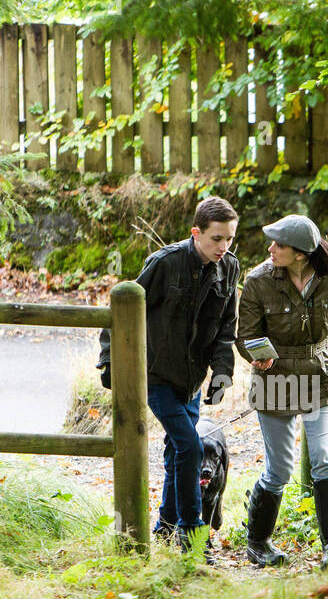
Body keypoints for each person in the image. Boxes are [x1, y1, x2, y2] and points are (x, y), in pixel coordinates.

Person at [97, 196, 240, 561]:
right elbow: (124, 308)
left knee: (178, 451)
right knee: (190, 446)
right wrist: (111, 361)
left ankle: (163, 525)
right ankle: (193, 537)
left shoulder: (229, 269)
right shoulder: (164, 264)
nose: (223, 247)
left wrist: (222, 372)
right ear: (196, 233)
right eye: (216, 239)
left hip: (191, 379)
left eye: (229, 239)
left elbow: (226, 328)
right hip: (155, 374)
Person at [236, 214, 328, 569]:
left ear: (301, 253)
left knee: (323, 457)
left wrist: (323, 358)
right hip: (276, 376)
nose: (271, 249)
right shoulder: (258, 281)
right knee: (279, 468)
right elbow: (245, 337)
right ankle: (257, 542)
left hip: (320, 376)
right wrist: (259, 357)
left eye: (279, 245)